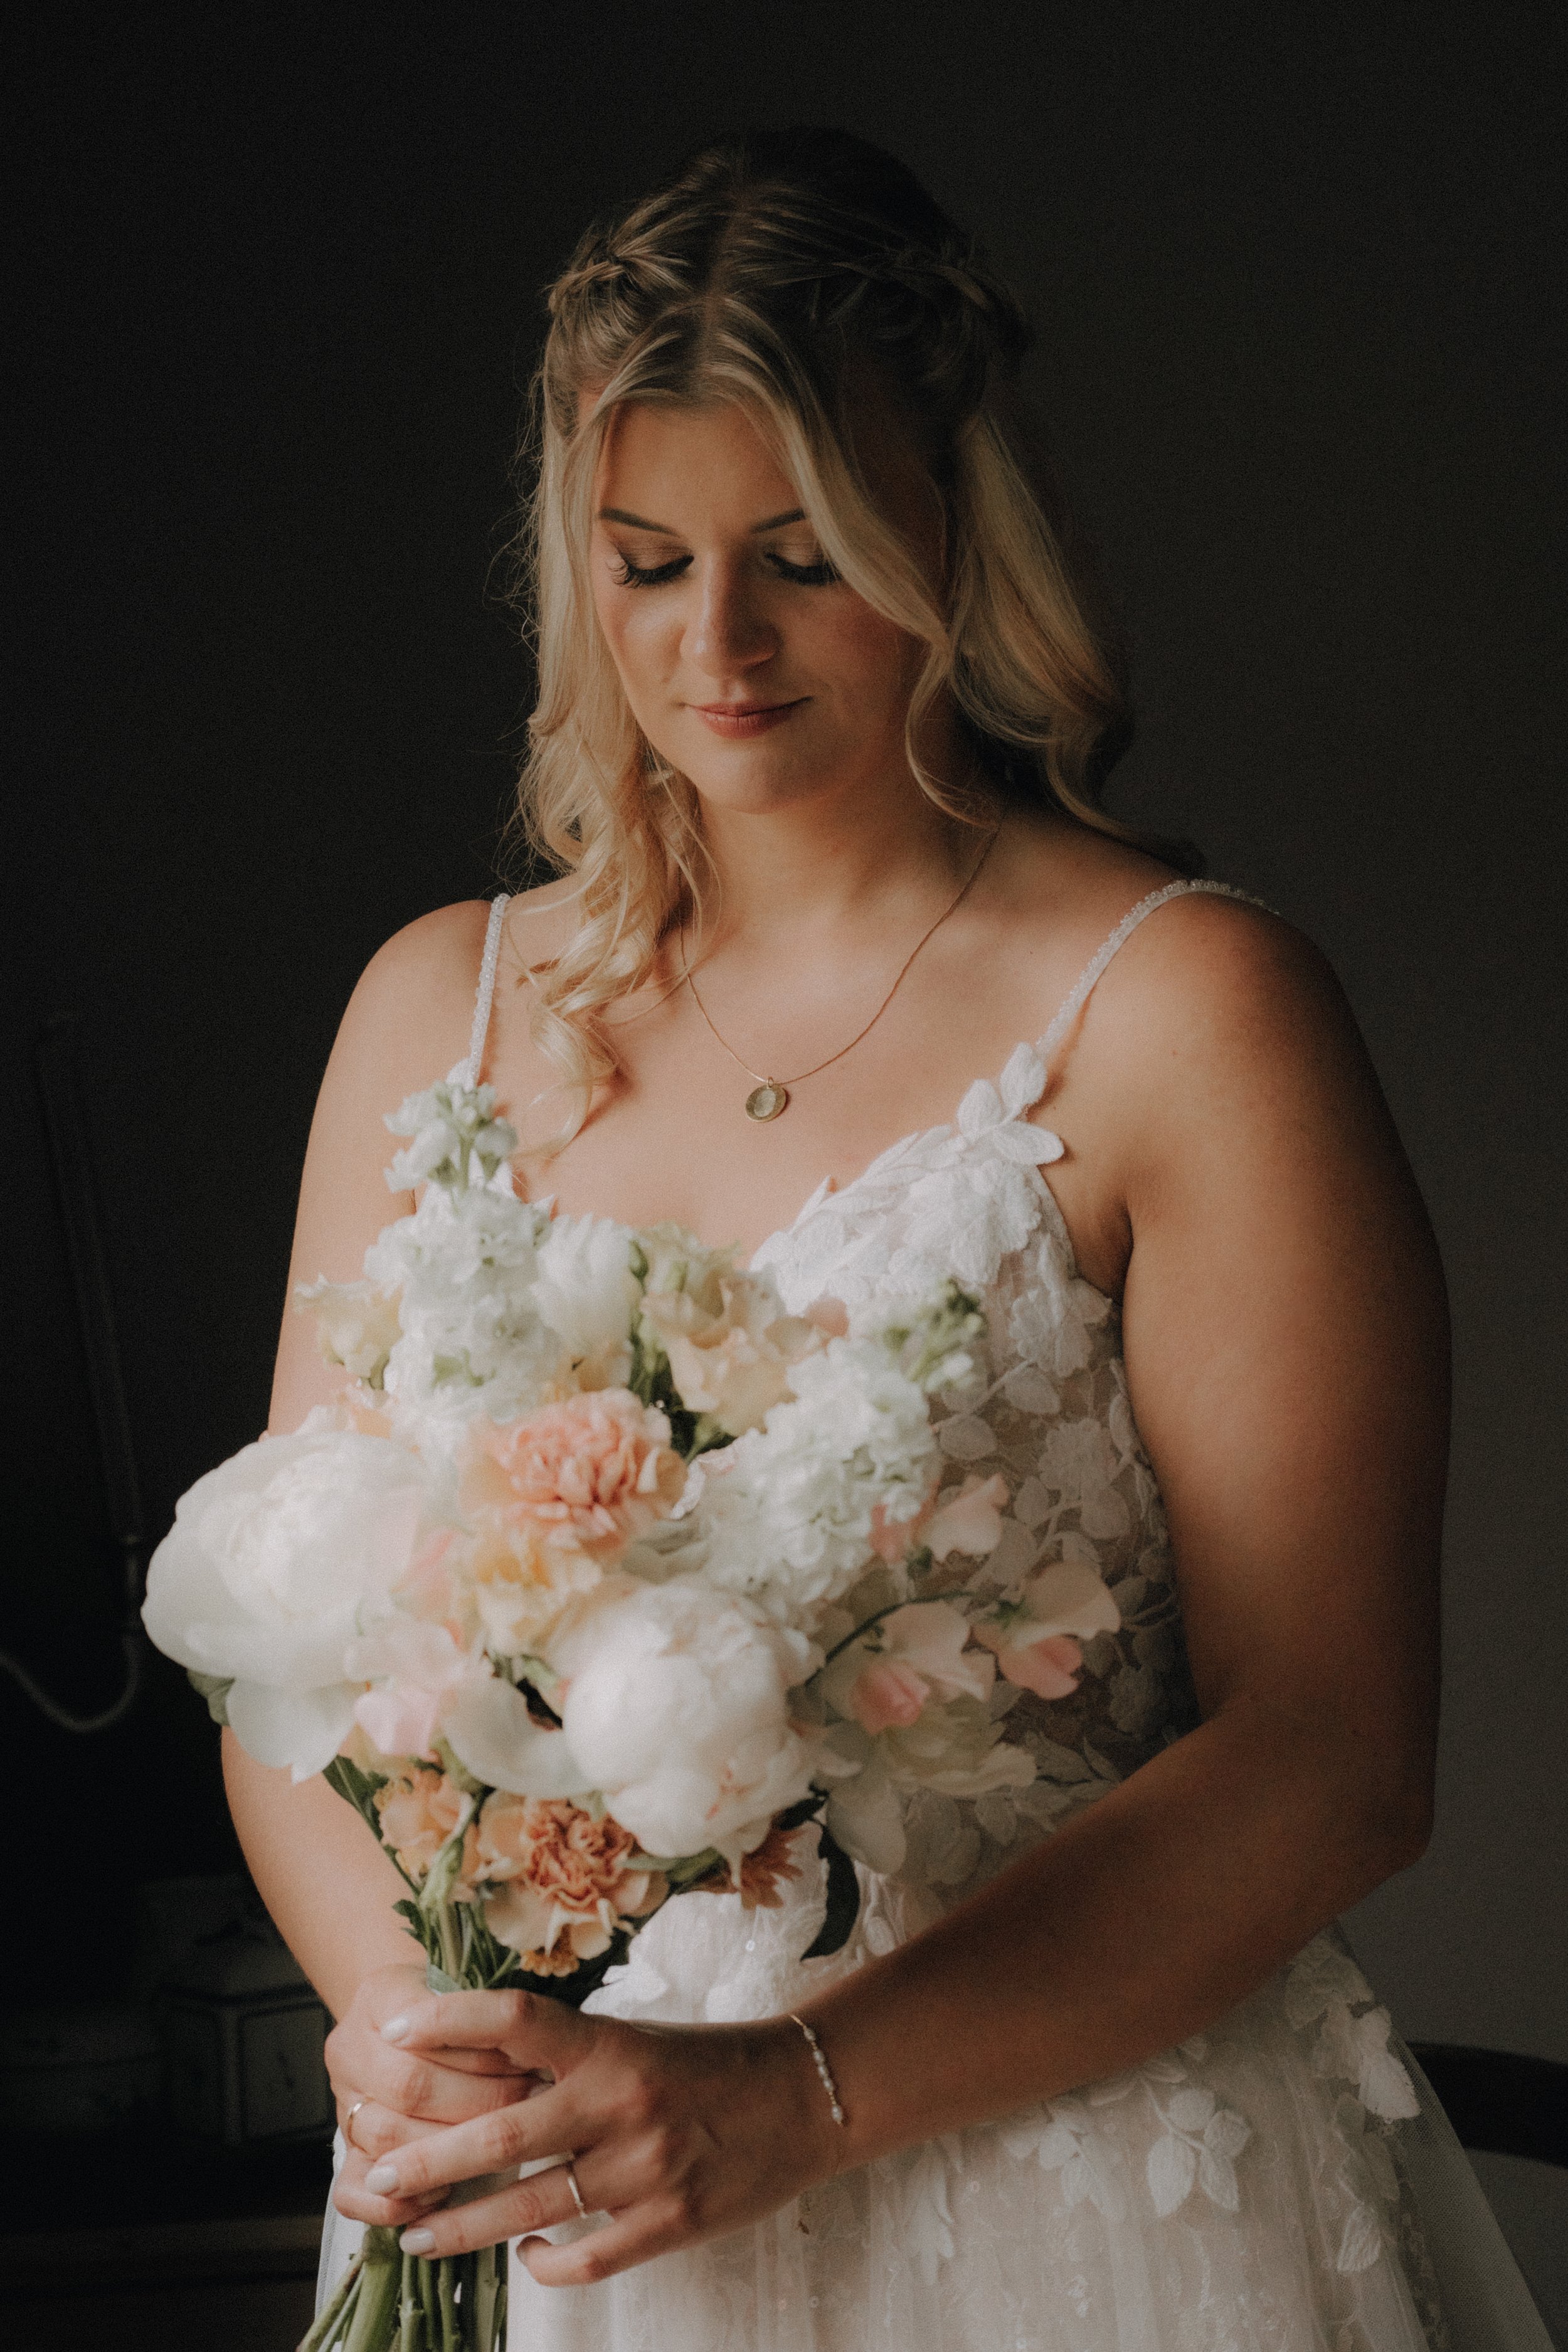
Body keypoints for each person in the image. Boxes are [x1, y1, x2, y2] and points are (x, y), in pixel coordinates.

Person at [228, 129, 1550, 2351]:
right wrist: (416, 2033)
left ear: (957, 533)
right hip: (542, 2208)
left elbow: (1333, 1750)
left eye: (804, 559)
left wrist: (793, 2096)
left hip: (1062, 2204)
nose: (717, 644)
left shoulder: (1182, 1013)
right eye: (647, 563)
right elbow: (295, 1669)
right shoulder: (431, 1008)